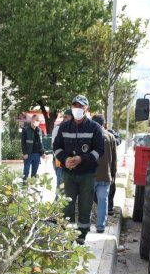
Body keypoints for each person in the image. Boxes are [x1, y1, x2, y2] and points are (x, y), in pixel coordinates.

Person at [53, 95, 104, 245]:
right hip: (68, 173)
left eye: (81, 106)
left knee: (85, 205)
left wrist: (82, 159)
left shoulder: (94, 128)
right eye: (75, 106)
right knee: (67, 206)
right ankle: (66, 236)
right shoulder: (64, 127)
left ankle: (81, 236)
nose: (78, 109)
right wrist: (65, 159)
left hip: (87, 174)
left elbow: (99, 151)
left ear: (86, 108)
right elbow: (56, 147)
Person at [92, 114, 118, 233]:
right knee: (103, 201)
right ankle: (101, 226)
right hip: (105, 174)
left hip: (90, 174)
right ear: (103, 124)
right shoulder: (110, 136)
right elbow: (114, 158)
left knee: (87, 201)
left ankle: (86, 225)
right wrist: (113, 174)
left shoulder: (90, 135)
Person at [50, 109, 73, 193]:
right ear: (66, 117)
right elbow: (55, 147)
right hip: (60, 163)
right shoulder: (58, 129)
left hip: (70, 163)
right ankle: (57, 205)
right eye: (72, 118)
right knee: (60, 188)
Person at [20, 115, 44, 181]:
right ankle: (24, 186)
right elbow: (23, 143)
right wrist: (25, 153)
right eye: (36, 120)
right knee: (26, 173)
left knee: (34, 174)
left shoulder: (39, 130)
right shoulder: (25, 129)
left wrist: (42, 153)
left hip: (37, 155)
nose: (37, 121)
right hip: (28, 154)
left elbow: (40, 142)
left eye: (38, 120)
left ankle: (33, 188)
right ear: (32, 120)